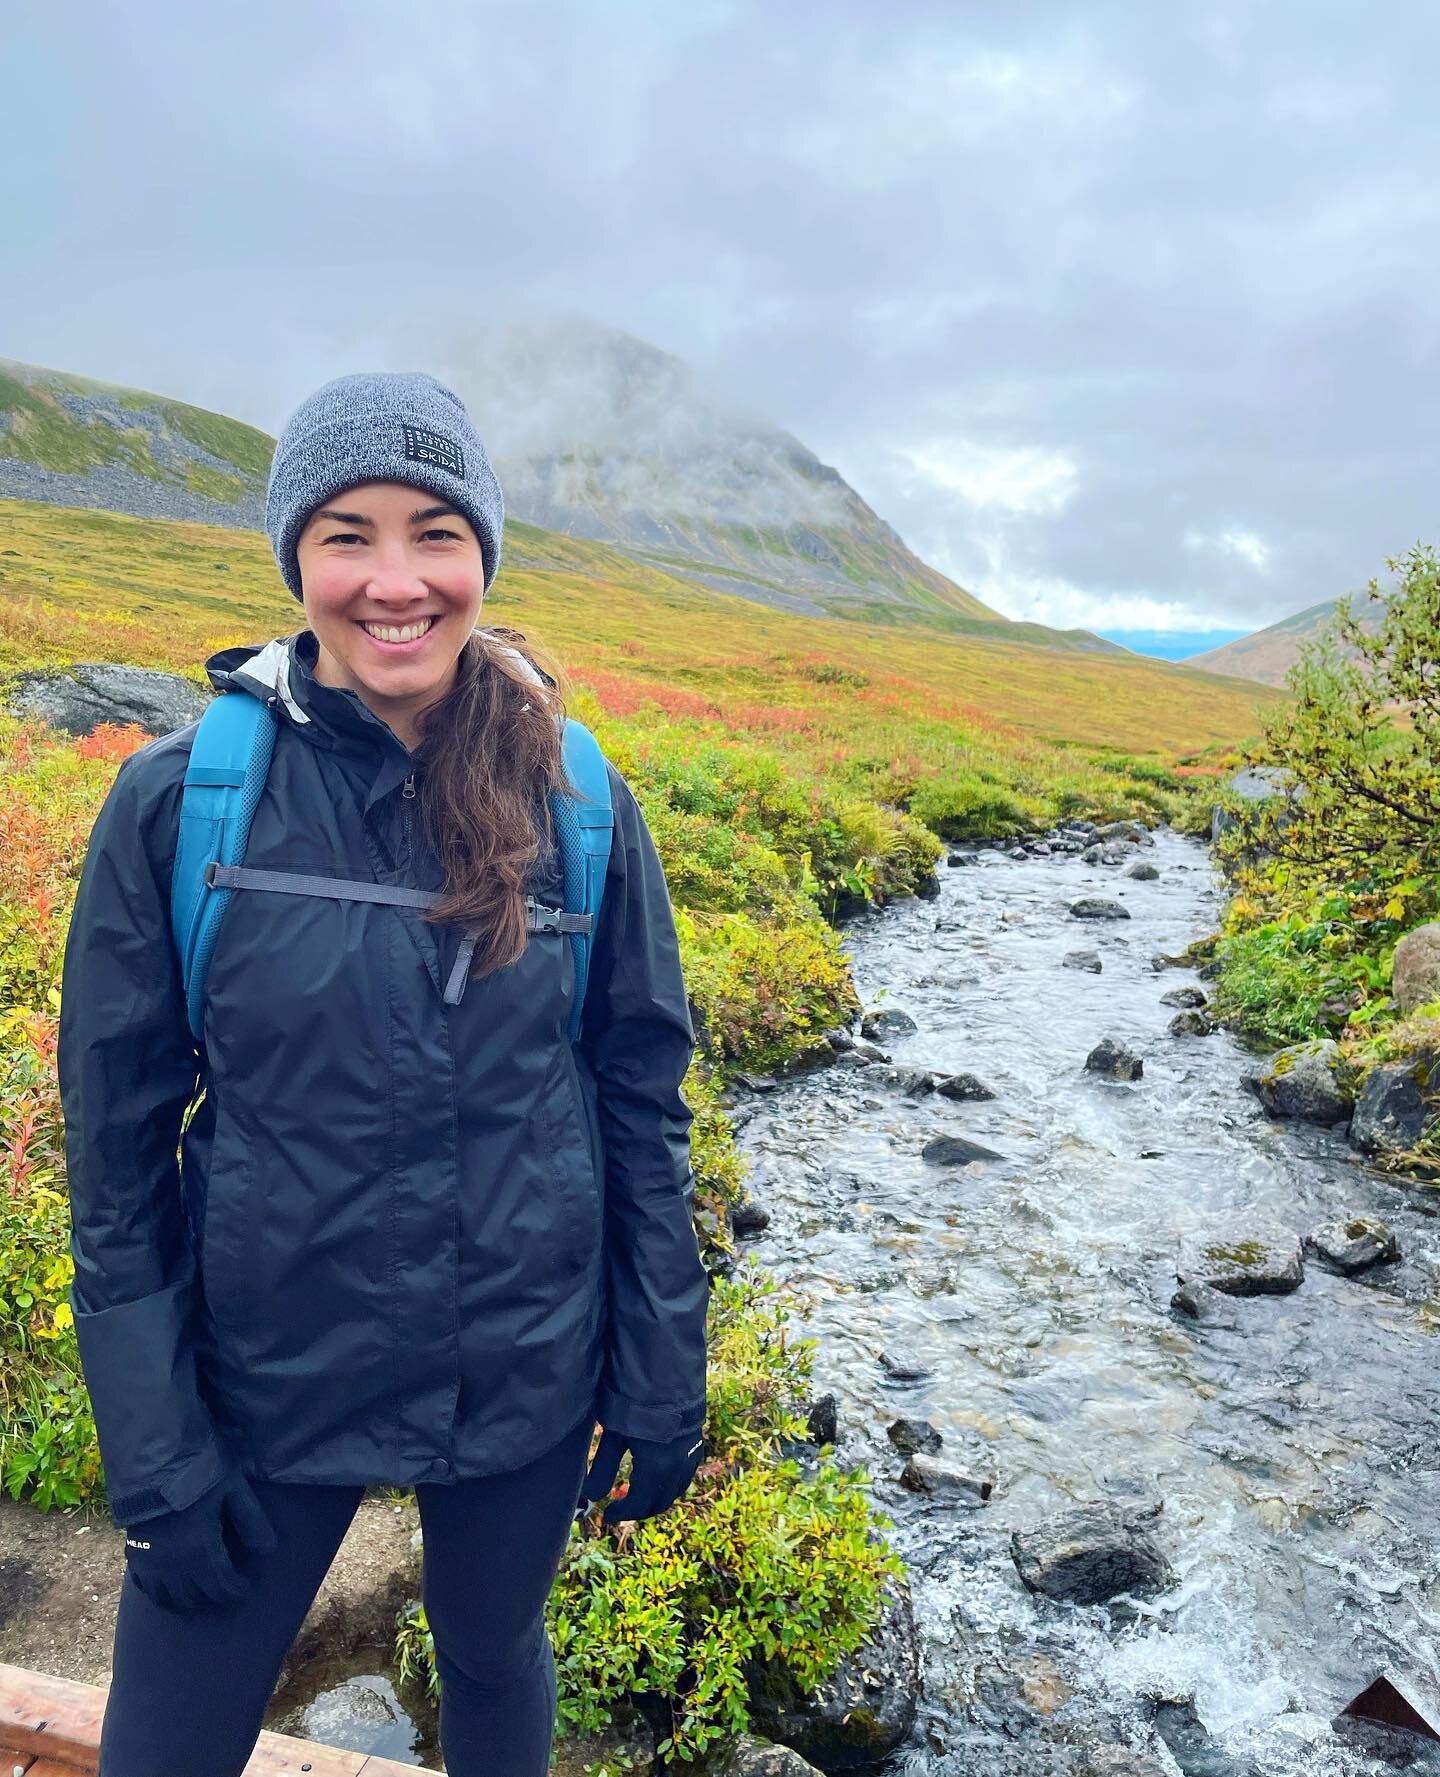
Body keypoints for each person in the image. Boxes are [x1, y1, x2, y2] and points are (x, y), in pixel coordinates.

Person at [56, 371, 711, 1776]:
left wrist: (662, 1370)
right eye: (348, 532)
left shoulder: (580, 800)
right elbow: (112, 1153)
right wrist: (155, 1446)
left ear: (483, 555)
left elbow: (639, 1101)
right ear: (295, 553)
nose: (394, 579)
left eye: (435, 531)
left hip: (525, 1368)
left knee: (491, 1659)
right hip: (262, 1375)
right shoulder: (183, 802)